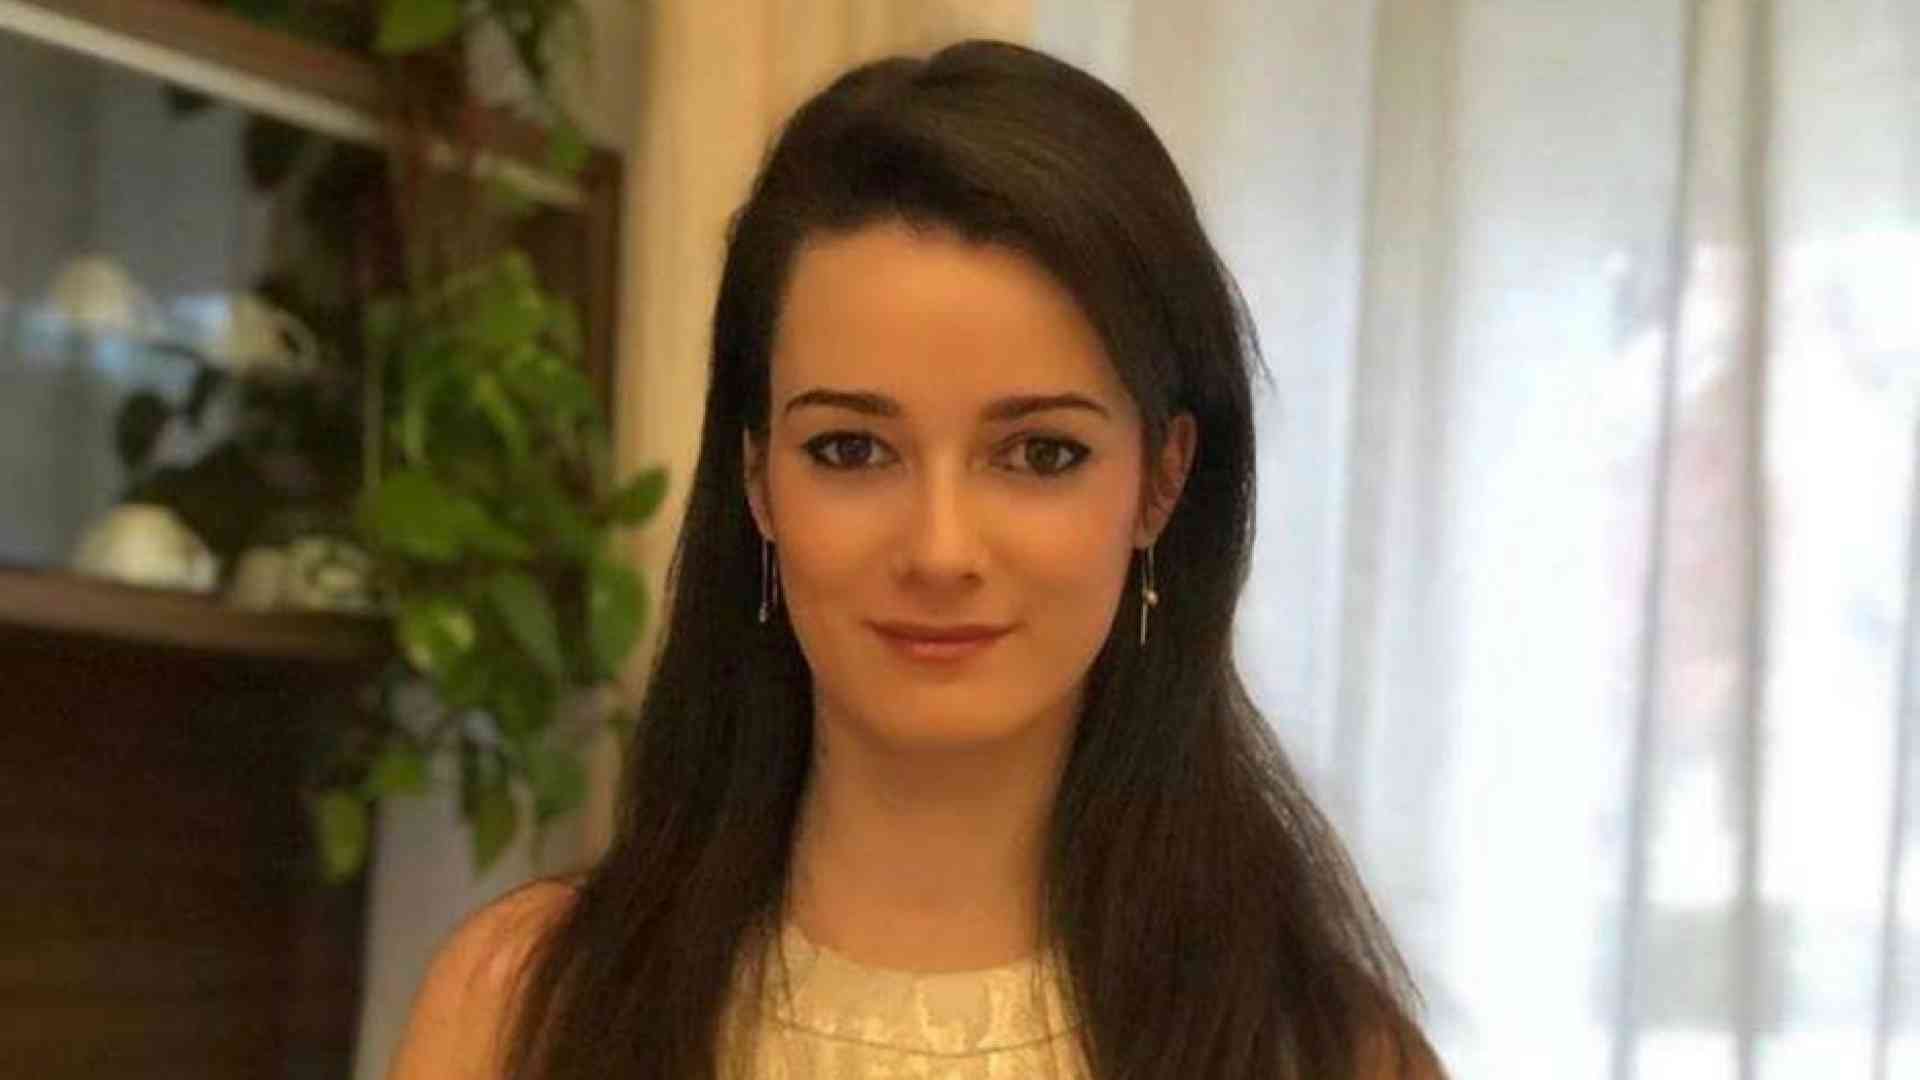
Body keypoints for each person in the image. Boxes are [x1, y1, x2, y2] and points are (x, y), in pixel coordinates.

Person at [389, 39, 1443, 1080]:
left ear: (1161, 481)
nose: (940, 550)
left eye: (1040, 454)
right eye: (852, 450)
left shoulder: (1326, 1054)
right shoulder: (518, 1007)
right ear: (757, 479)